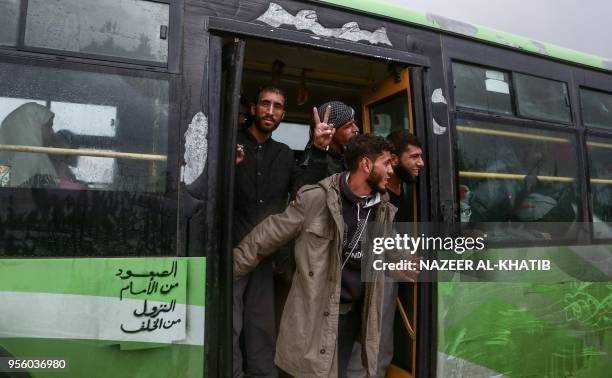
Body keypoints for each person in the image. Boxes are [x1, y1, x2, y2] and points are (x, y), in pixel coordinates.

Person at [234, 134, 415, 377]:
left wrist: (401, 258)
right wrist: (229, 270)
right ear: (366, 165)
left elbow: (390, 244)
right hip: (315, 316)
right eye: (386, 163)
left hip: (352, 318)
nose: (391, 171)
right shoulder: (316, 199)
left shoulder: (382, 208)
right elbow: (266, 236)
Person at [347, 130, 424, 377]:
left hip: (390, 277)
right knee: (365, 348)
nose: (420, 163)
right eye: (414, 157)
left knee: (382, 348)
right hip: (372, 280)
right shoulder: (372, 196)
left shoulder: (403, 193)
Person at [233, 86, 295, 378]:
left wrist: (318, 149)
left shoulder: (284, 154)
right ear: (255, 108)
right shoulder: (230, 145)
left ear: (283, 114)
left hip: (265, 253)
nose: (271, 111)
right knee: (229, 324)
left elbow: (302, 193)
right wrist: (228, 167)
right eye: (266, 104)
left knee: (261, 326)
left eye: (278, 106)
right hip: (230, 250)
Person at [292, 101, 359, 194]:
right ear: (331, 131)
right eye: (348, 126)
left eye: (354, 123)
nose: (356, 129)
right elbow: (303, 195)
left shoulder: (347, 154)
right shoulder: (313, 158)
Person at [0, 102, 58, 188]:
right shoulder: (35, 160)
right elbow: (51, 195)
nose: (53, 132)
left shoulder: (4, 162)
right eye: (49, 126)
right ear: (33, 126)